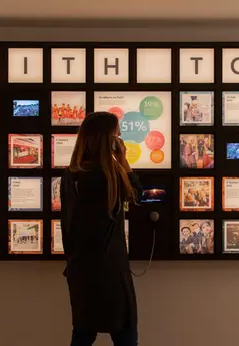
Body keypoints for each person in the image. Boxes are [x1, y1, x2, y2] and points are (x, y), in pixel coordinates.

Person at [61, 111, 143, 346]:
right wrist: (124, 161)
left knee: (83, 332)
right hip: (111, 269)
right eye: (117, 135)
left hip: (81, 268)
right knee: (125, 333)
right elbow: (137, 195)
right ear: (109, 140)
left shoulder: (71, 176)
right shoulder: (110, 176)